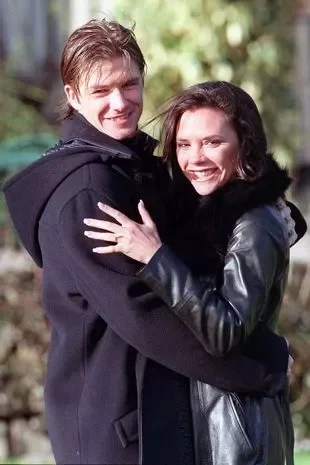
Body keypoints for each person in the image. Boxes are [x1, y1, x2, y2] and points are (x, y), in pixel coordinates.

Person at [2, 19, 305, 465]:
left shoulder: (135, 165)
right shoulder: (89, 191)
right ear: (72, 96)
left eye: (129, 84)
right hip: (118, 429)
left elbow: (209, 238)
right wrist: (259, 364)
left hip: (152, 417)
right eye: (101, 90)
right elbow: (147, 315)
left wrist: (270, 212)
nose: (120, 102)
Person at [83, 80, 304, 464]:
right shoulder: (204, 213)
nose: (195, 158)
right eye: (184, 145)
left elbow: (224, 330)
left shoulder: (256, 222)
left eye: (212, 142)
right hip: (211, 426)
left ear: (245, 145)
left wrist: (155, 257)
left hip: (238, 437)